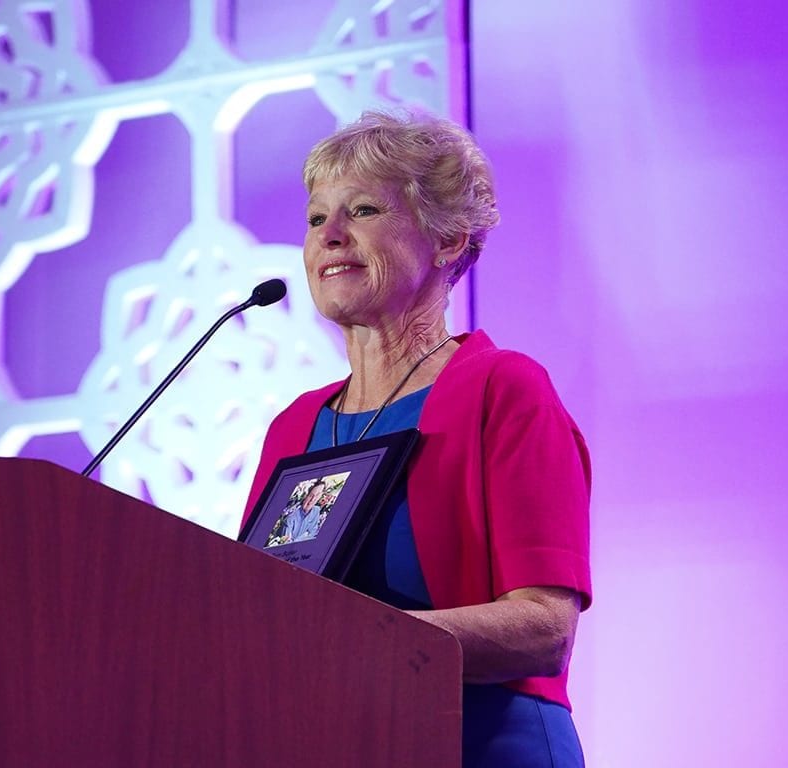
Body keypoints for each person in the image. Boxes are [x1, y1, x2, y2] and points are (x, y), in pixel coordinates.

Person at [242, 110, 592, 767]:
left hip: (480, 745)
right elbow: (259, 617)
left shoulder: (502, 390)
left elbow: (545, 628)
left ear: (450, 240)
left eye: (364, 209)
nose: (332, 236)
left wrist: (356, 642)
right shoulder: (294, 426)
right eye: (317, 219)